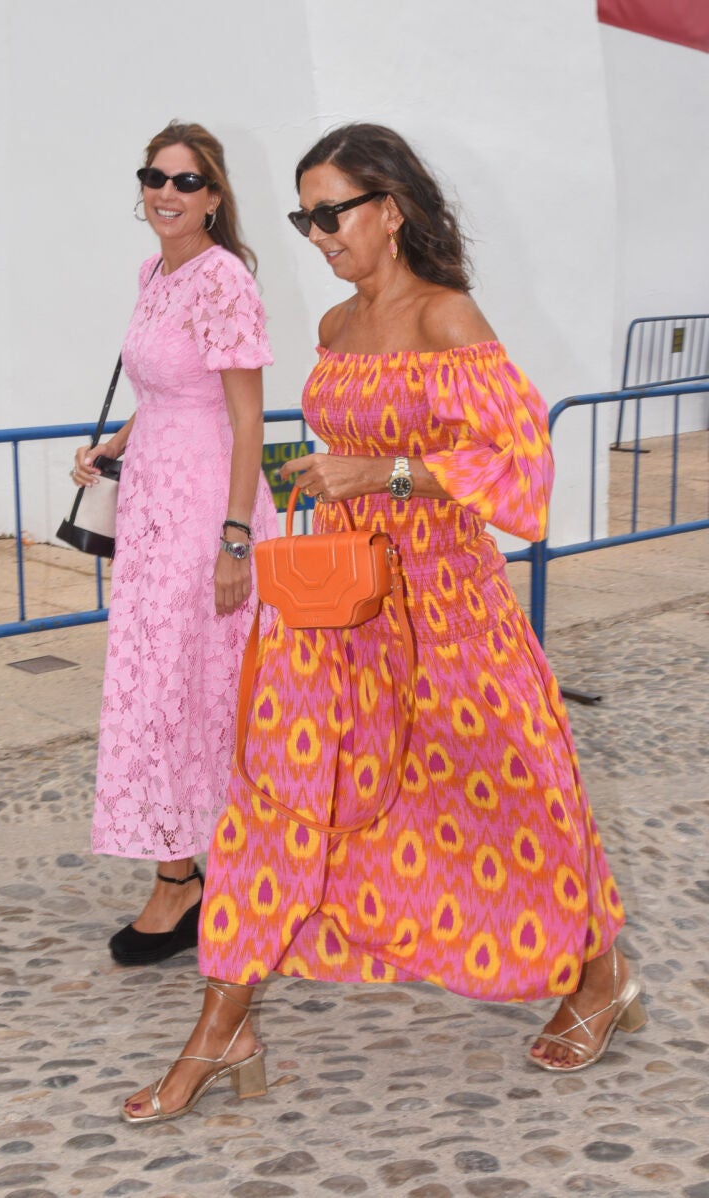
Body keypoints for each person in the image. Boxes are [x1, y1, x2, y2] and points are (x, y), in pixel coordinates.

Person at [121, 122, 645, 1123]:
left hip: (447, 602)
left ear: (388, 210)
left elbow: (518, 464)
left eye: (332, 213)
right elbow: (348, 445)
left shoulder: (446, 318)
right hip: (338, 600)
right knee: (278, 795)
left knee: (510, 788)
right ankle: (219, 1025)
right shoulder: (331, 328)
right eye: (302, 216)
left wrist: (384, 471)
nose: (316, 234)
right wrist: (319, 480)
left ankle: (597, 974)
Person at [72, 120, 278, 967]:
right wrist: (117, 442)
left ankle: (194, 878)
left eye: (187, 181)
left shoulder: (224, 279)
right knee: (163, 689)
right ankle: (189, 871)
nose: (166, 192)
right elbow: (167, 386)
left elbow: (244, 416)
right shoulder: (154, 270)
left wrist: (235, 540)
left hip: (206, 512)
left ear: (216, 197)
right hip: (153, 504)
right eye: (154, 176)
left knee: (206, 690)